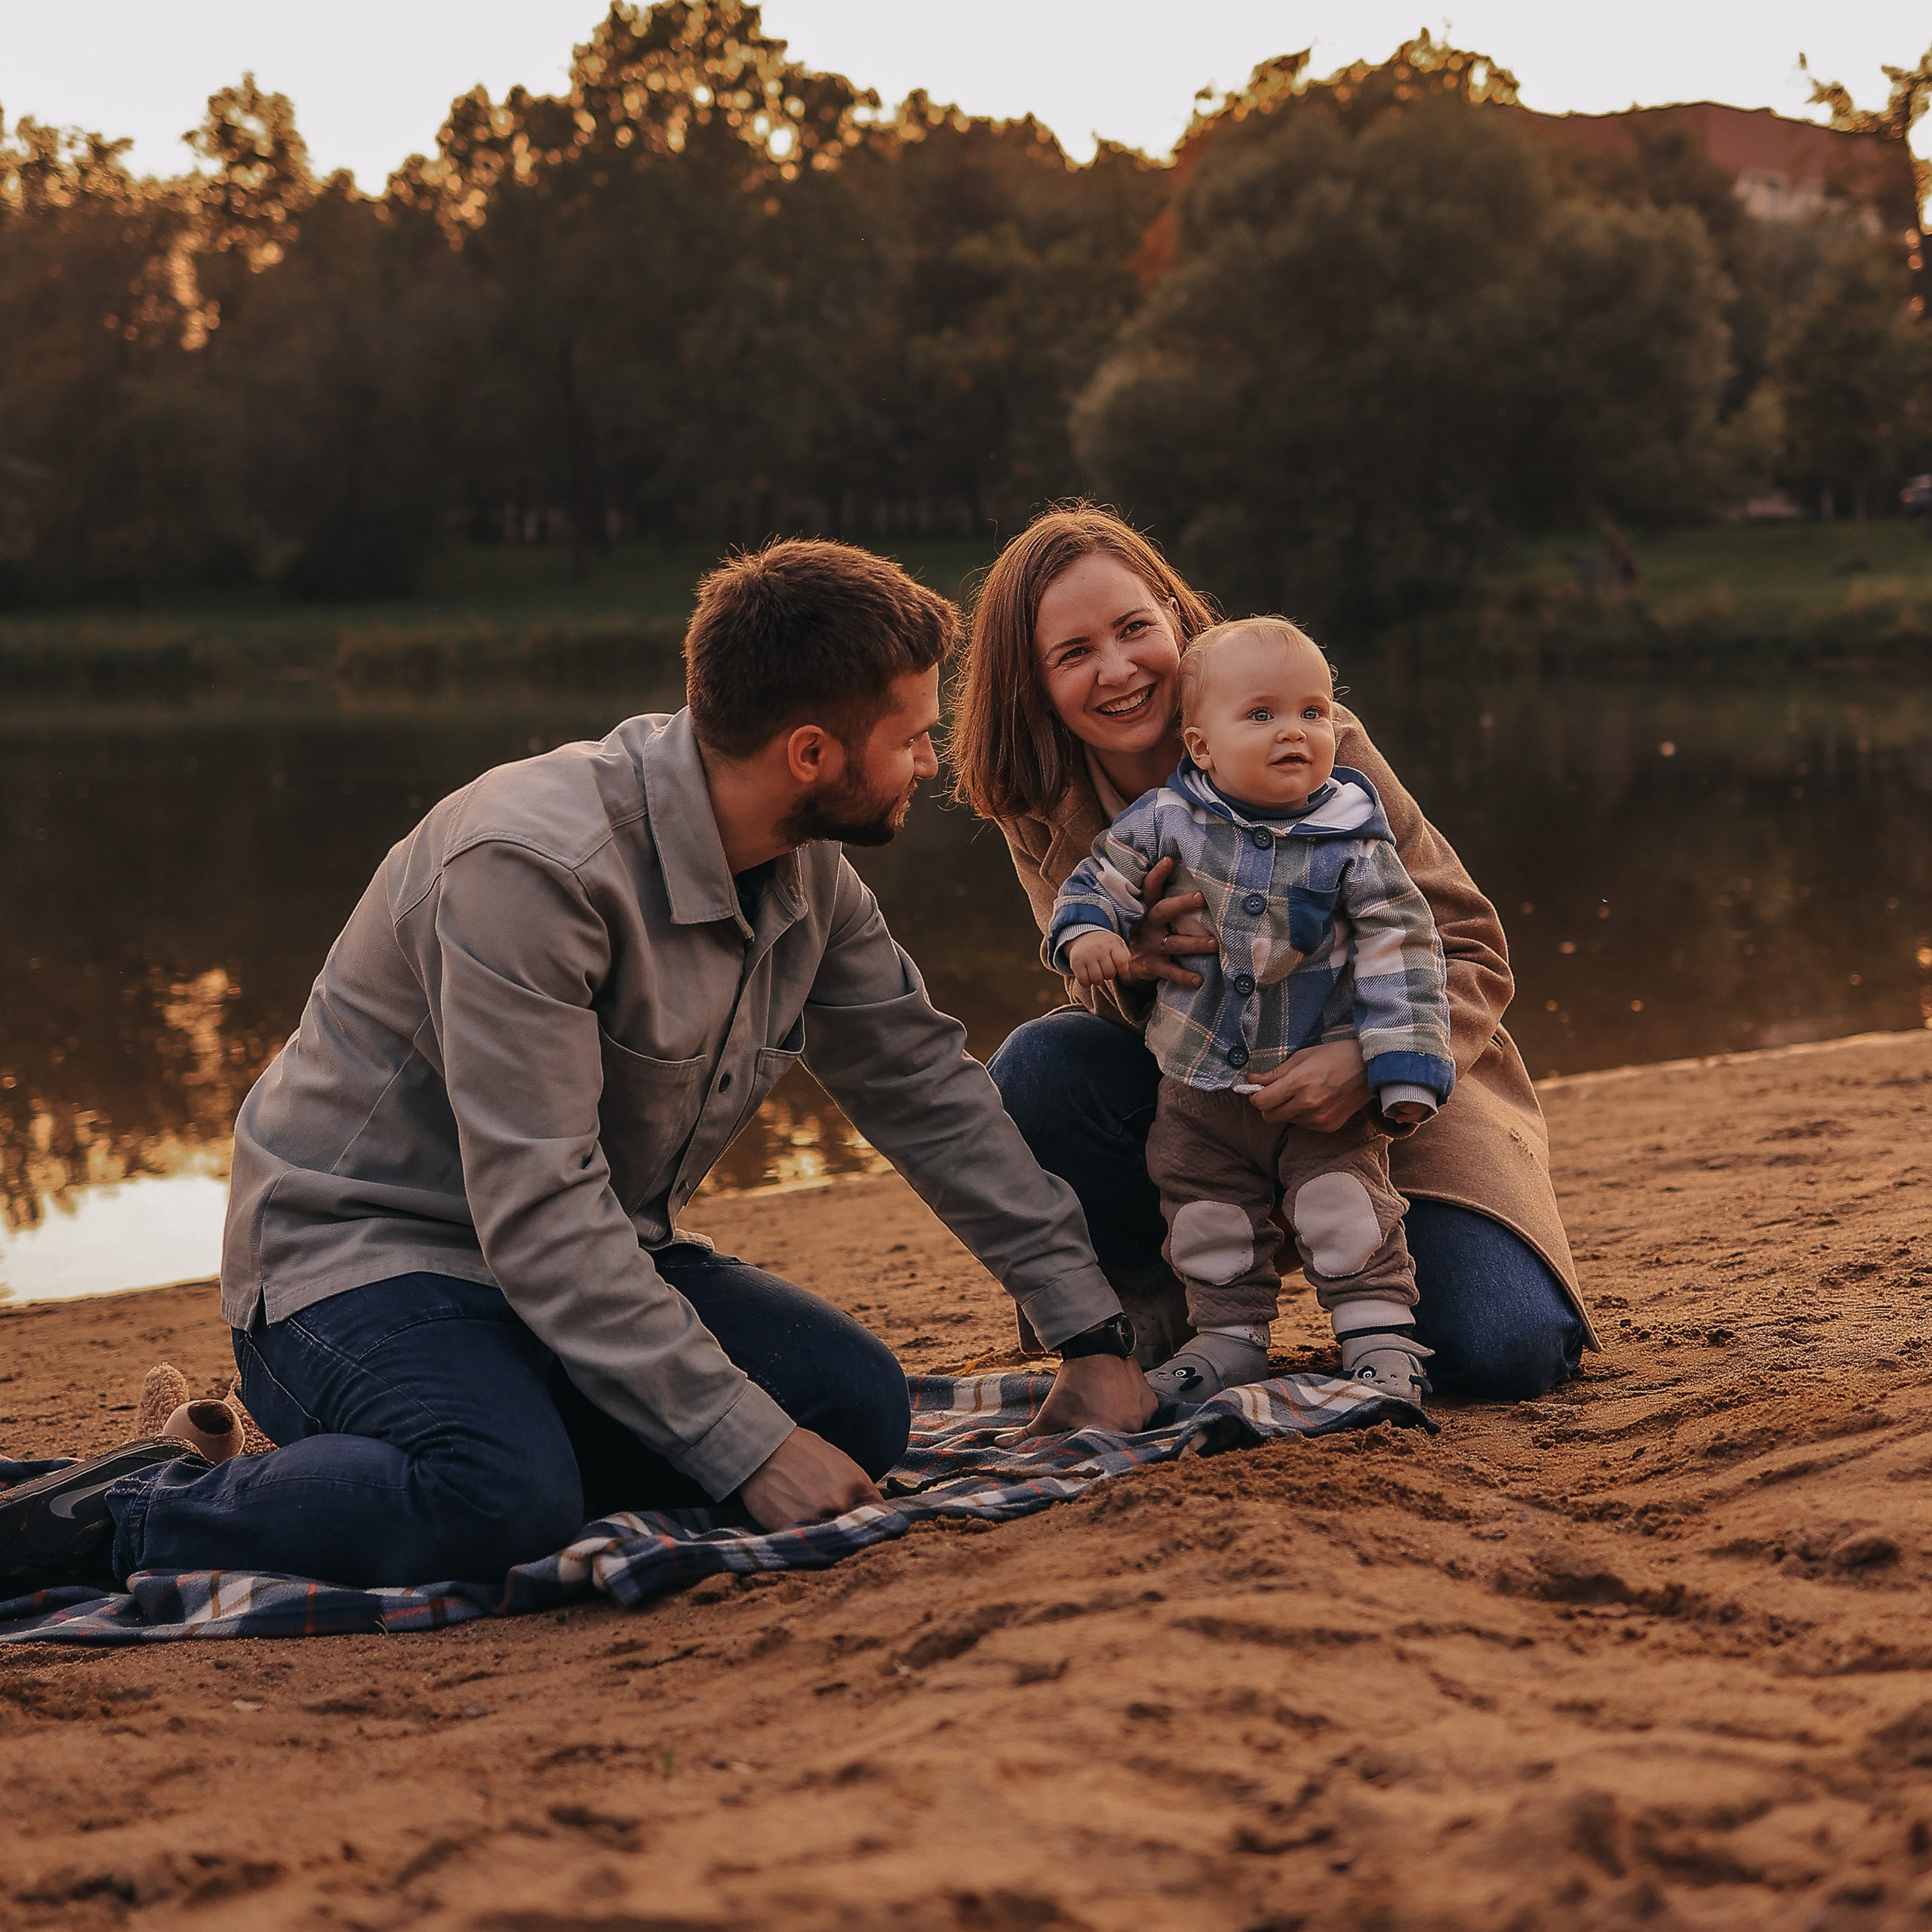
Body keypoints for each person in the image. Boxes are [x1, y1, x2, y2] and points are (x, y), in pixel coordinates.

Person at [0, 540, 1154, 1598]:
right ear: (810, 753)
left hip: (582, 1268)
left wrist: (1091, 1337)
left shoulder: (808, 874)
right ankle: (129, 1509)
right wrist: (747, 1447)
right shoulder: (530, 869)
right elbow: (542, 1212)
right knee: (501, 1497)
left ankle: (453, 1446)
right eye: (910, 737)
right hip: (355, 1272)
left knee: (854, 1406)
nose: (929, 760)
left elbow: (930, 1093)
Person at [949, 506, 1595, 1395]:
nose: (1118, 669)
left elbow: (1468, 944)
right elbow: (1091, 988)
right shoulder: (1040, 800)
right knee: (1036, 1065)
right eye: (1073, 653)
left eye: (1133, 627)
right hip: (1206, 1106)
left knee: (1501, 1352)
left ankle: (1384, 1282)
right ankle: (1164, 1301)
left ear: (1175, 615)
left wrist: (1369, 1058)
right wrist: (1127, 963)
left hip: (1386, 1100)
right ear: (1034, 682)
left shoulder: (1309, 740)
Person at [1052, 617, 1453, 1407]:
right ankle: (1227, 1340)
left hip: (1317, 1086)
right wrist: (1094, 932)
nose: (1294, 732)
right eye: (1262, 715)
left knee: (1346, 1206)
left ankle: (1378, 1336)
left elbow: (1404, 950)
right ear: (1201, 748)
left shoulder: (1351, 836)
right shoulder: (1166, 818)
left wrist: (1397, 1067)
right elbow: (1100, 877)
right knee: (1205, 1213)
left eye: (1312, 713)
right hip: (1197, 1088)